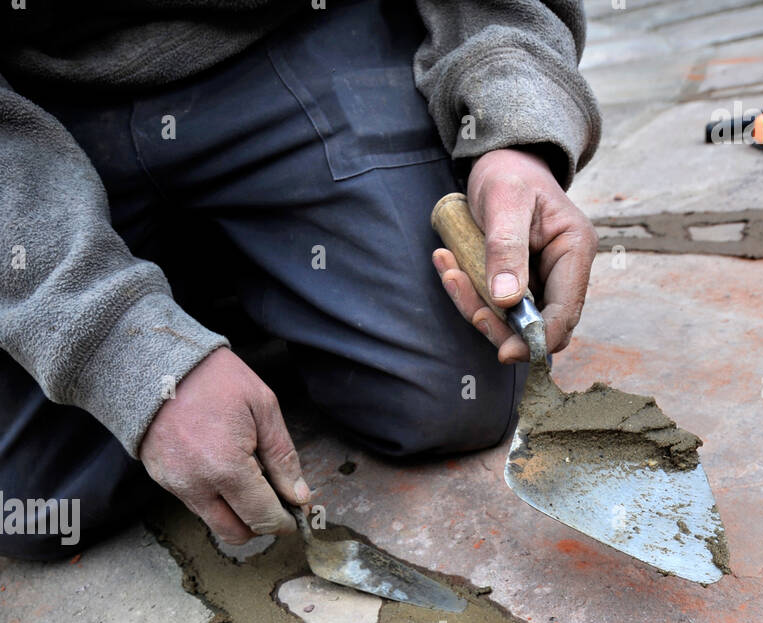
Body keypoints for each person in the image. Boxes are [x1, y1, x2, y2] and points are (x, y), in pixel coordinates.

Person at [0, 0, 601, 558]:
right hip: (39, 113)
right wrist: (124, 349)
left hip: (293, 34)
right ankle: (216, 276)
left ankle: (247, 268)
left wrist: (513, 127)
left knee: (456, 394)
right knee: (39, 506)